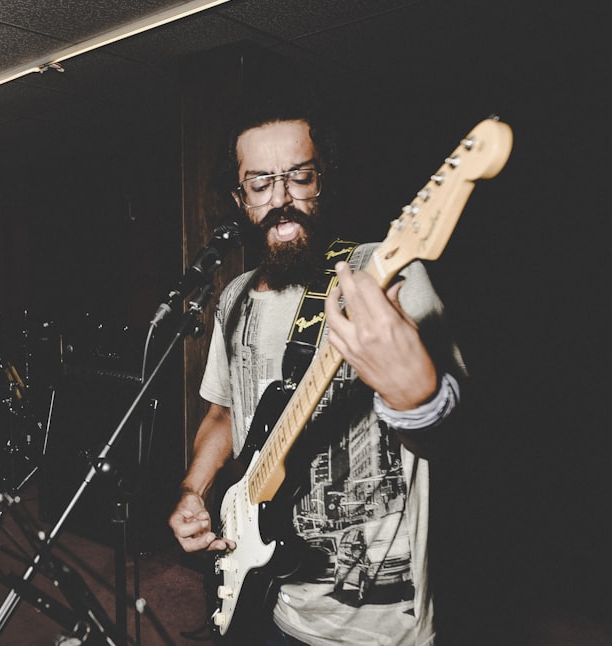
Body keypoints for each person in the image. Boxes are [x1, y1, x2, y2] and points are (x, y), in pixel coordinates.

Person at [167, 93, 465, 645]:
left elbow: (463, 434)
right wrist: (194, 489)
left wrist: (418, 400)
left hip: (382, 623)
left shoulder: (383, 274)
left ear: (322, 178)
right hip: (271, 594)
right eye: (260, 184)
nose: (281, 200)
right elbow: (223, 412)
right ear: (240, 197)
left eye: (299, 177)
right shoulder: (233, 298)